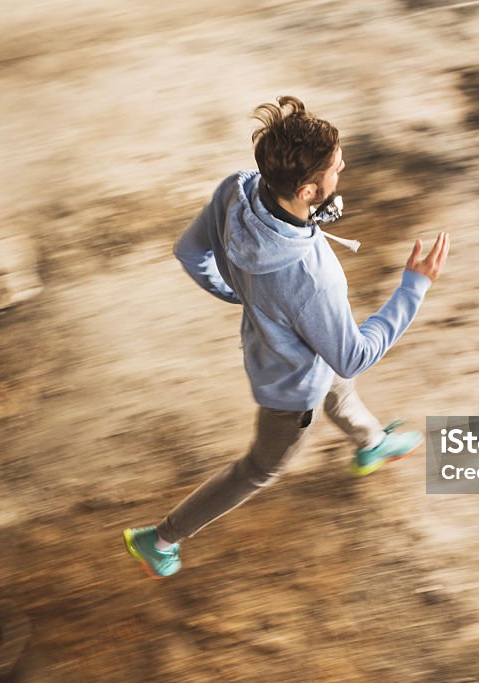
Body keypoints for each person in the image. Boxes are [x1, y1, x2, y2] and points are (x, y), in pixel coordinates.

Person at [123, 96, 450, 578]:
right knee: (260, 467)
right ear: (307, 190)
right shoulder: (311, 279)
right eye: (337, 169)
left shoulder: (239, 189)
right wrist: (413, 287)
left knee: (336, 386)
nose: (344, 170)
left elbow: (189, 251)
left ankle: (370, 442)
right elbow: (354, 355)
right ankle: (161, 537)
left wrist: (241, 293)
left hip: (294, 346)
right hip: (288, 387)